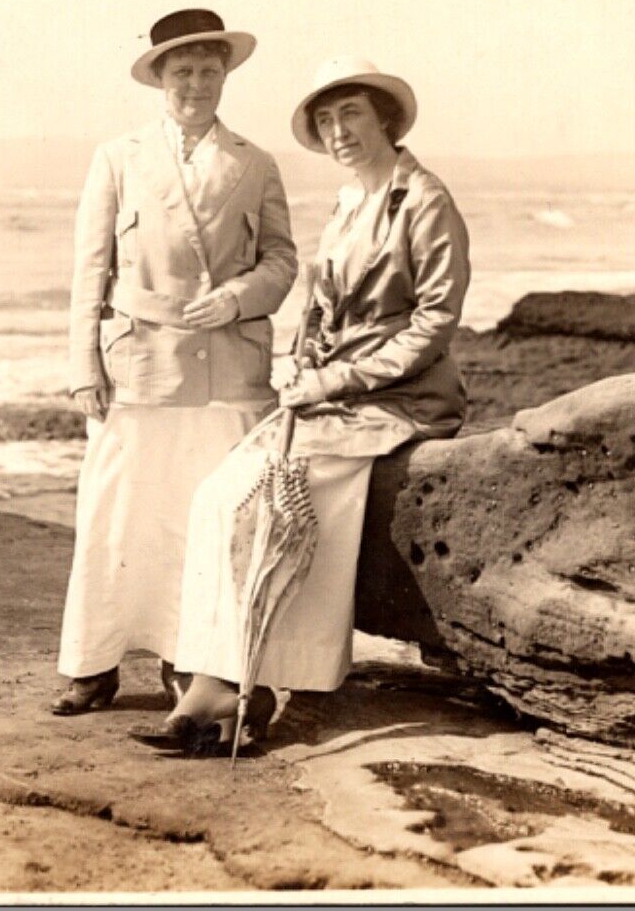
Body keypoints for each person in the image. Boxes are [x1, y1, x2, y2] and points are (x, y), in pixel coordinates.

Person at [135, 57, 471, 753]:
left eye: (350, 114)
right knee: (220, 494)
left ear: (384, 118)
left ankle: (298, 684)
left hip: (400, 398)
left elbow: (435, 320)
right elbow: (323, 306)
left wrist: (337, 382)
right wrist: (301, 366)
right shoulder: (351, 201)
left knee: (303, 503)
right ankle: (217, 681)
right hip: (330, 393)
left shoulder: (425, 200)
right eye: (325, 121)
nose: (337, 130)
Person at [51, 9, 298, 715]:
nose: (196, 84)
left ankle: (189, 661)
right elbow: (89, 268)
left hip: (228, 372)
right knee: (119, 514)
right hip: (138, 370)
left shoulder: (256, 162)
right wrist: (82, 366)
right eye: (182, 71)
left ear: (226, 77)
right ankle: (91, 665)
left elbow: (283, 259)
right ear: (160, 79)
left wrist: (240, 298)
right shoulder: (118, 156)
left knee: (208, 520)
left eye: (209, 71)